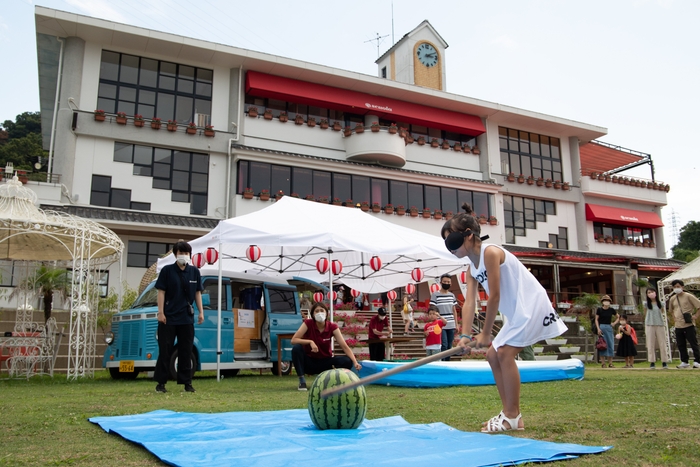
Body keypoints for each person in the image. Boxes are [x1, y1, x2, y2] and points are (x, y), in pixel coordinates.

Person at [442, 203, 567, 432]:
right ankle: (510, 414)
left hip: (530, 306)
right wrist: (465, 335)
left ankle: (512, 415)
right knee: (492, 356)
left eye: (452, 241)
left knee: (504, 353)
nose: (450, 248)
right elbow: (470, 301)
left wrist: (487, 332)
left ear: (469, 235)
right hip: (516, 313)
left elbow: (495, 295)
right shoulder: (471, 267)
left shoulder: (490, 252)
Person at [154, 241, 204, 394]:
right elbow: (161, 292)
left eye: (186, 253)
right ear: (175, 255)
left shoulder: (194, 272)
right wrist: (161, 312)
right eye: (181, 253)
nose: (184, 256)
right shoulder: (167, 271)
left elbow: (197, 293)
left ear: (190, 255)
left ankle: (186, 383)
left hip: (186, 318)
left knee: (186, 351)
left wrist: (201, 312)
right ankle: (161, 383)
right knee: (165, 350)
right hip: (168, 318)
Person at [290, 301, 361, 391]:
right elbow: (293, 340)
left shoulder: (332, 327)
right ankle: (302, 381)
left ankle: (332, 381)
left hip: (325, 362)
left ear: (326, 313)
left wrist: (355, 362)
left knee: (346, 361)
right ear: (312, 314)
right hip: (309, 362)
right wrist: (310, 342)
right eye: (316, 311)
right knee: (296, 348)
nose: (319, 313)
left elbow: (344, 346)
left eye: (322, 310)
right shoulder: (308, 323)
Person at [667, 279, 700, 369]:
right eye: (674, 287)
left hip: (689, 324)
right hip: (678, 325)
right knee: (681, 344)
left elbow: (698, 306)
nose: (676, 288)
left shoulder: (688, 296)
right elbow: (671, 310)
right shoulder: (672, 298)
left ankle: (697, 360)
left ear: (682, 287)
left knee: (693, 343)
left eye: (678, 286)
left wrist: (695, 316)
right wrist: (674, 318)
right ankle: (684, 361)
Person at [430, 273, 459, 361]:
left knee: (449, 345)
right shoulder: (435, 295)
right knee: (444, 344)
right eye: (444, 281)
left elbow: (454, 310)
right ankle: (442, 362)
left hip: (451, 324)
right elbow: (432, 310)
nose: (446, 283)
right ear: (441, 282)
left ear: (451, 283)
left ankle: (447, 362)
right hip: (440, 324)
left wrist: (456, 324)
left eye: (448, 282)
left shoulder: (452, 295)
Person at [643, 287, 669, 369]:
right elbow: (645, 313)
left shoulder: (660, 303)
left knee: (662, 342)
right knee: (650, 343)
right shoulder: (646, 304)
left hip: (659, 324)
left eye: (652, 292)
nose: (650, 293)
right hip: (649, 324)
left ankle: (664, 361)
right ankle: (652, 361)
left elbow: (662, 311)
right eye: (648, 292)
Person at [595, 295, 618, 368]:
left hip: (609, 327)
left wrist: (614, 323)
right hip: (602, 327)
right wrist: (598, 328)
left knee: (610, 344)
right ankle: (603, 363)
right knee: (602, 344)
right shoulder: (599, 309)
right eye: (605, 300)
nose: (606, 302)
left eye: (608, 301)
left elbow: (618, 317)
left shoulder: (611, 310)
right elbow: (596, 319)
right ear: (602, 302)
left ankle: (610, 363)